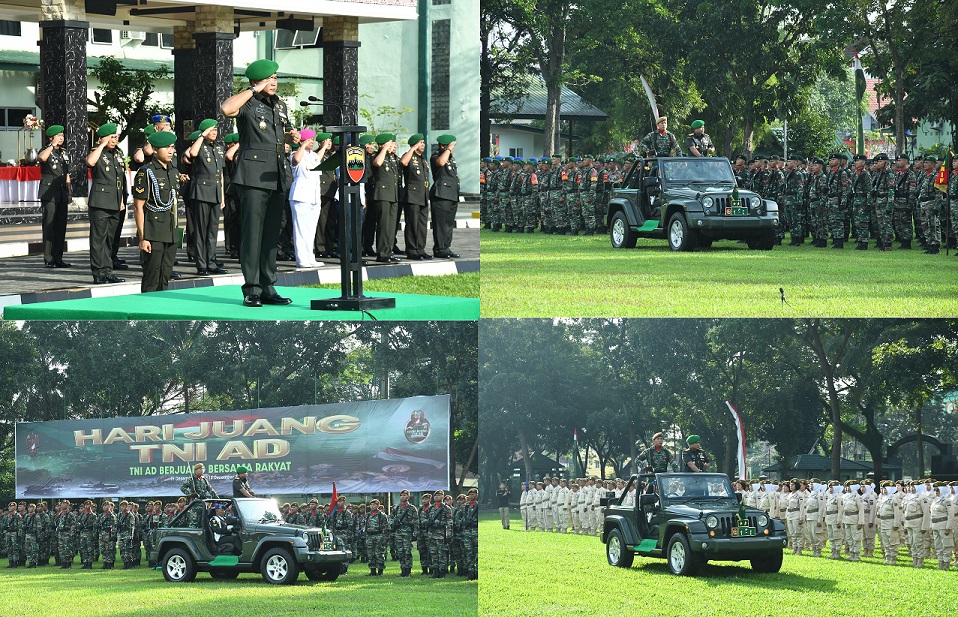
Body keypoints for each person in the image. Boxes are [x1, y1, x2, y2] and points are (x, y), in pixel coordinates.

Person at [220, 58, 301, 307]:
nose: (274, 82)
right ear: (257, 81)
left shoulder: (279, 106)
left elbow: (274, 136)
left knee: (270, 235)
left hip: (276, 175)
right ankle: (251, 289)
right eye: (269, 78)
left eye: (276, 78)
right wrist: (252, 90)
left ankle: (268, 286)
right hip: (253, 176)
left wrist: (291, 136)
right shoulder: (248, 102)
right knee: (253, 234)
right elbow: (226, 109)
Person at [132, 130, 180, 292]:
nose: (170, 151)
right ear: (154, 150)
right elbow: (138, 207)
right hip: (153, 233)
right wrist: (143, 238)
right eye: (165, 147)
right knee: (152, 279)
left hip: (171, 231)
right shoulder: (146, 172)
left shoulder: (173, 170)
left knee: (165, 278)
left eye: (172, 147)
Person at [86, 123, 128, 284]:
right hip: (100, 202)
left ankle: (108, 271)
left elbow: (120, 179)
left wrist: (122, 200)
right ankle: (99, 272)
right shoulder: (97, 152)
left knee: (110, 239)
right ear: (102, 138)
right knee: (99, 239)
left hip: (116, 201)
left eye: (116, 137)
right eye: (111, 137)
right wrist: (102, 144)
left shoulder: (117, 153)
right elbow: (90, 162)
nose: (114, 140)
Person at [188, 118, 228, 275]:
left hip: (216, 193)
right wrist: (201, 136)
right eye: (211, 130)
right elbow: (192, 153)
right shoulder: (200, 146)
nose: (214, 132)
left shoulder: (218, 148)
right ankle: (201, 264)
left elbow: (221, 175)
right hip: (202, 193)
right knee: (201, 230)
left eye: (216, 130)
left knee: (212, 231)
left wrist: (222, 197)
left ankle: (211, 262)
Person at [288, 128, 331, 268]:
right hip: (300, 196)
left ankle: (310, 257)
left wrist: (324, 146)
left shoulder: (313, 156)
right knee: (301, 228)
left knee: (311, 229)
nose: (311, 142)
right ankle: (301, 259)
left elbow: (318, 158)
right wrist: (302, 145)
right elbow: (296, 160)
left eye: (312, 139)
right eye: (309, 139)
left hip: (313, 196)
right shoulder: (296, 153)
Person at [38, 124, 72, 269]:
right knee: (49, 225)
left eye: (62, 136)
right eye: (58, 136)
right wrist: (51, 146)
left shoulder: (64, 153)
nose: (61, 138)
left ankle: (58, 257)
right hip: (49, 192)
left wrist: (69, 191)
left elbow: (67, 174)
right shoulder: (46, 150)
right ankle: (48, 258)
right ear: (51, 137)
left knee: (60, 226)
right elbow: (42, 158)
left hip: (61, 192)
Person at [370, 132, 402, 263]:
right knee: (383, 225)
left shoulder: (392, 158)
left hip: (393, 195)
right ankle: (382, 253)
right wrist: (384, 148)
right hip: (382, 194)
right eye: (391, 143)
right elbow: (377, 163)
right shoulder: (377, 155)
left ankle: (388, 251)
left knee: (391, 226)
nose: (393, 145)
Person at [430, 134, 461, 258]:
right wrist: (448, 150)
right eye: (450, 146)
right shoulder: (436, 156)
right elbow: (440, 162)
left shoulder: (451, 157)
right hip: (441, 194)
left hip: (452, 194)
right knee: (440, 224)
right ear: (443, 146)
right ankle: (439, 248)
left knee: (448, 224)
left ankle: (446, 247)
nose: (452, 149)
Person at [401, 133, 431, 260]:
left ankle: (420, 248)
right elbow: (403, 162)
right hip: (412, 195)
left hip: (423, 195)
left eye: (423, 143)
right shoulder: (409, 156)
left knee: (422, 224)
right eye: (420, 143)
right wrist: (412, 149)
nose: (423, 145)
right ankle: (412, 250)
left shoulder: (423, 158)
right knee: (412, 223)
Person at [365, 499, 389, 576]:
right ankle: (372, 571)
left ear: (378, 506)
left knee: (379, 554)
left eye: (374, 504)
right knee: (370, 554)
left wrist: (384, 539)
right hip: (370, 536)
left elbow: (386, 528)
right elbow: (364, 526)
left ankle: (380, 571)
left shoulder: (382, 515)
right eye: (371, 505)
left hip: (379, 536)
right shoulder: (368, 515)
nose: (372, 506)